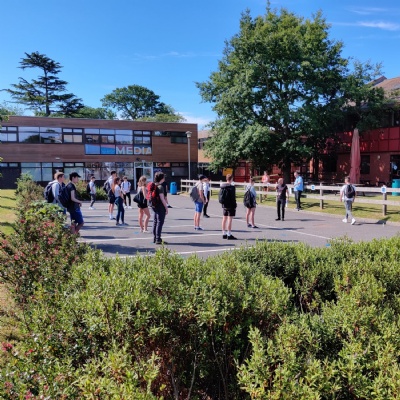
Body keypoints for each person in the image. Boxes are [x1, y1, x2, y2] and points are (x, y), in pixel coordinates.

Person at [151, 171, 169, 244]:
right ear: (161, 178)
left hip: (154, 205)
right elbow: (162, 198)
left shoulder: (154, 185)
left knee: (155, 221)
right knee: (160, 222)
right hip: (160, 206)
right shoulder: (160, 187)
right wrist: (166, 207)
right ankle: (158, 239)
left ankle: (155, 238)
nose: (164, 178)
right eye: (163, 177)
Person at [220, 174, 237, 240]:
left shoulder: (222, 186)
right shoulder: (232, 187)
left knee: (224, 218)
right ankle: (229, 234)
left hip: (224, 204)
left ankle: (223, 233)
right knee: (230, 219)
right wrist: (234, 205)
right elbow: (233, 197)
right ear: (231, 179)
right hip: (230, 204)